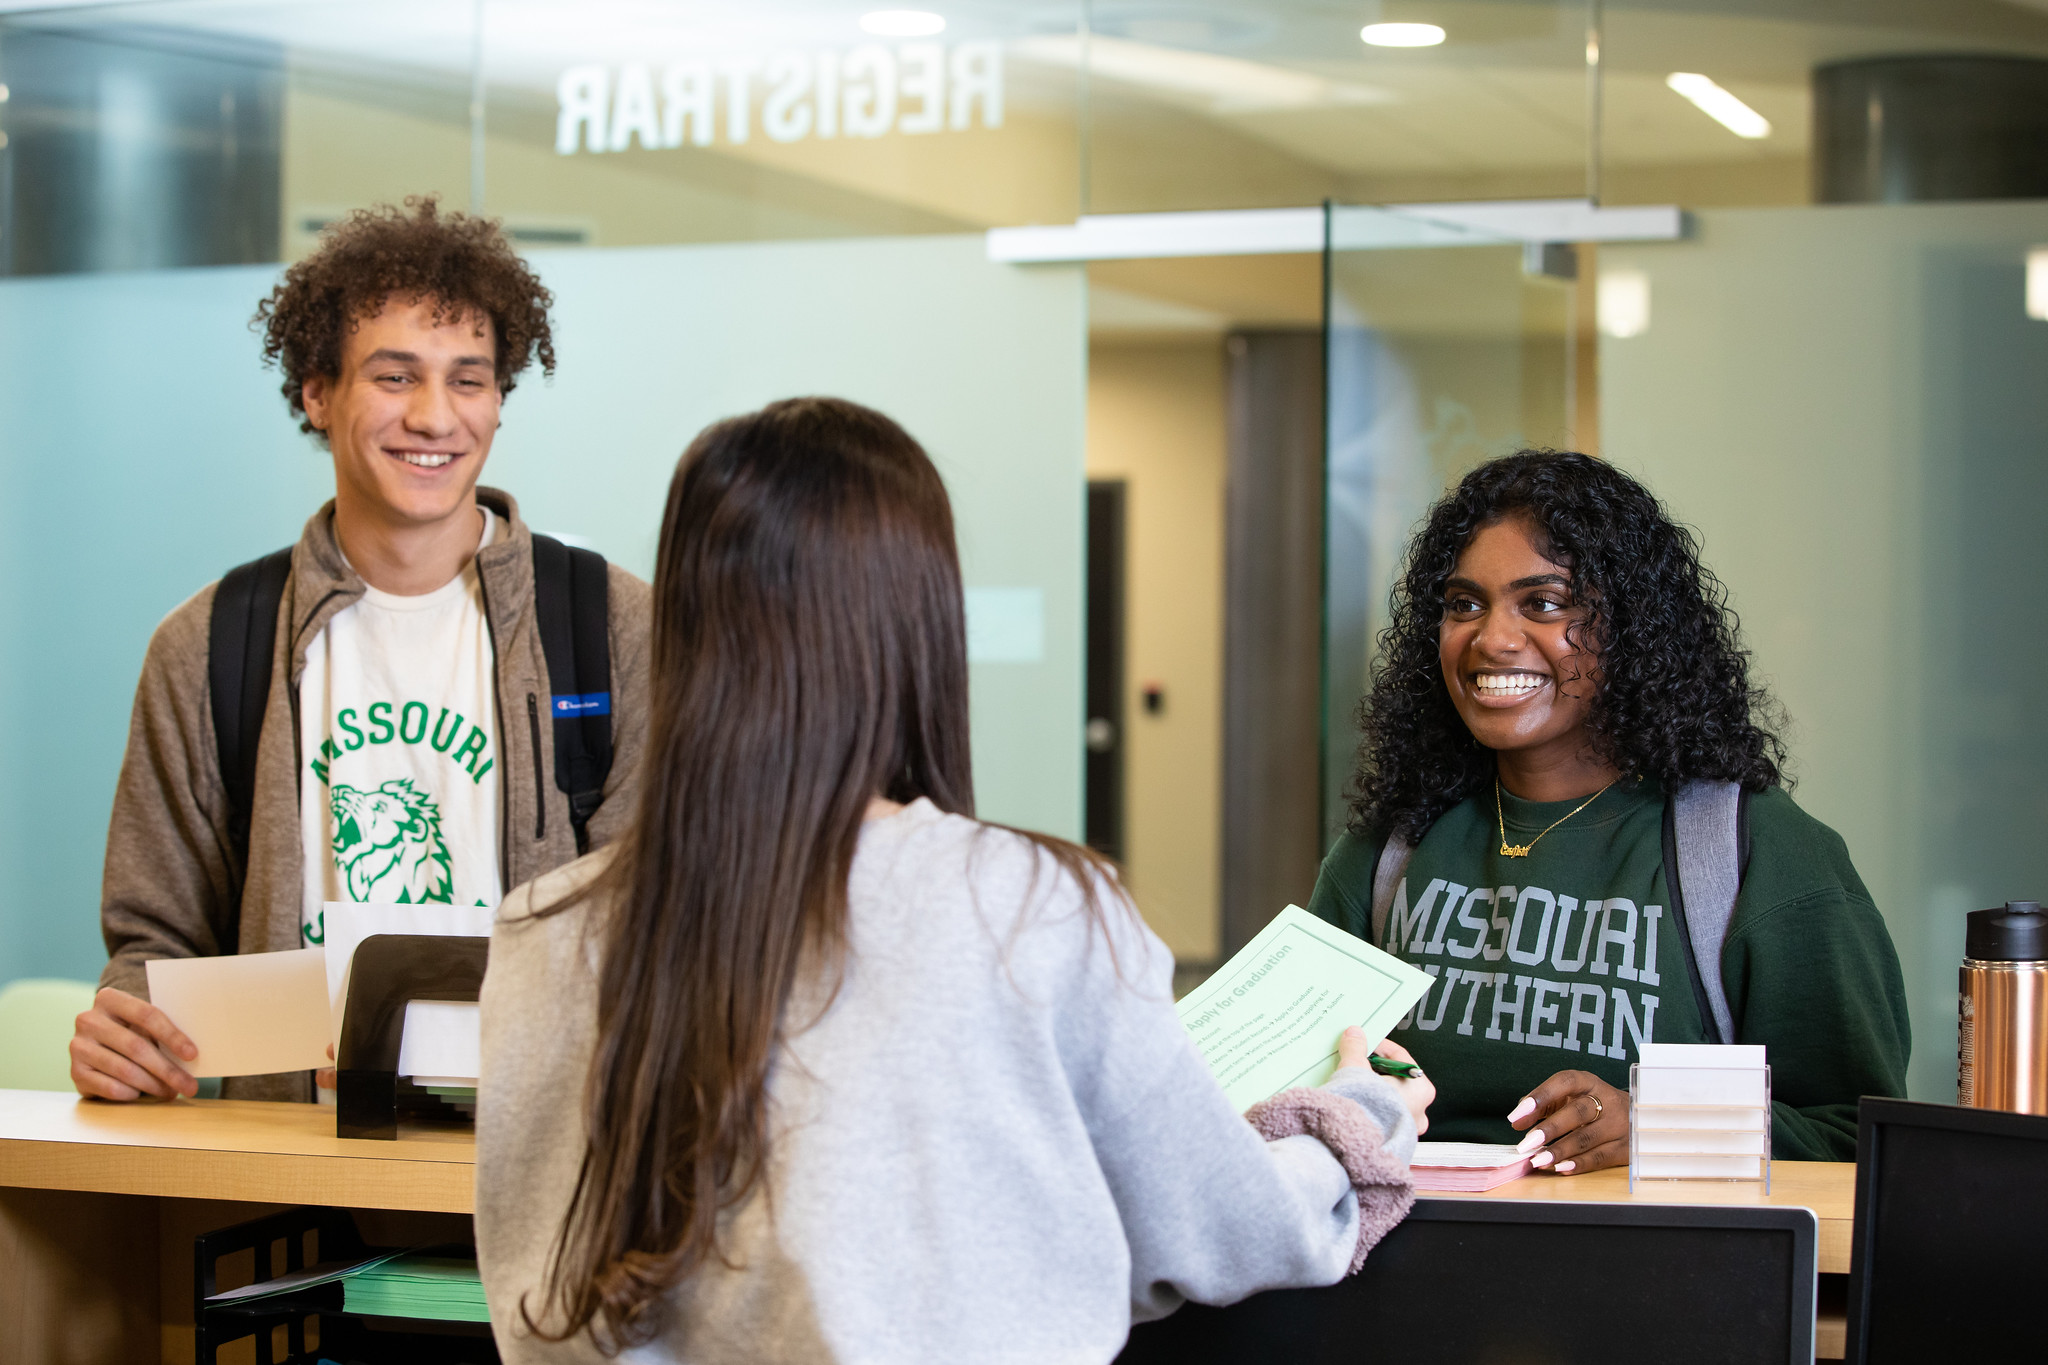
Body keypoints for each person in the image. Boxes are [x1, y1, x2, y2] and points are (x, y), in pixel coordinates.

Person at [474, 397, 1432, 1362]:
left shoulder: (550, 924)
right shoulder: (1027, 904)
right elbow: (1215, 1229)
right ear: (917, 617)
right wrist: (1359, 1114)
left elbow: (539, 1286)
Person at [71, 197, 651, 1103]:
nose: (434, 416)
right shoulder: (210, 644)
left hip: (546, 1168)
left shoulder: (614, 627)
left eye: (469, 379)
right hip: (287, 1178)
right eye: (394, 376)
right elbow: (154, 950)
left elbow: (660, 931)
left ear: (500, 398)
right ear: (316, 391)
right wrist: (126, 1030)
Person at [1308, 450, 1909, 1170]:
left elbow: (1860, 1136)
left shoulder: (1757, 854)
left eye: (1545, 602)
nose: (1492, 637)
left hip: (1653, 1277)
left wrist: (1663, 1126)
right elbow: (1293, 1094)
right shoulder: (1385, 856)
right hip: (1407, 1271)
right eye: (1464, 603)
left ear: (1631, 625)